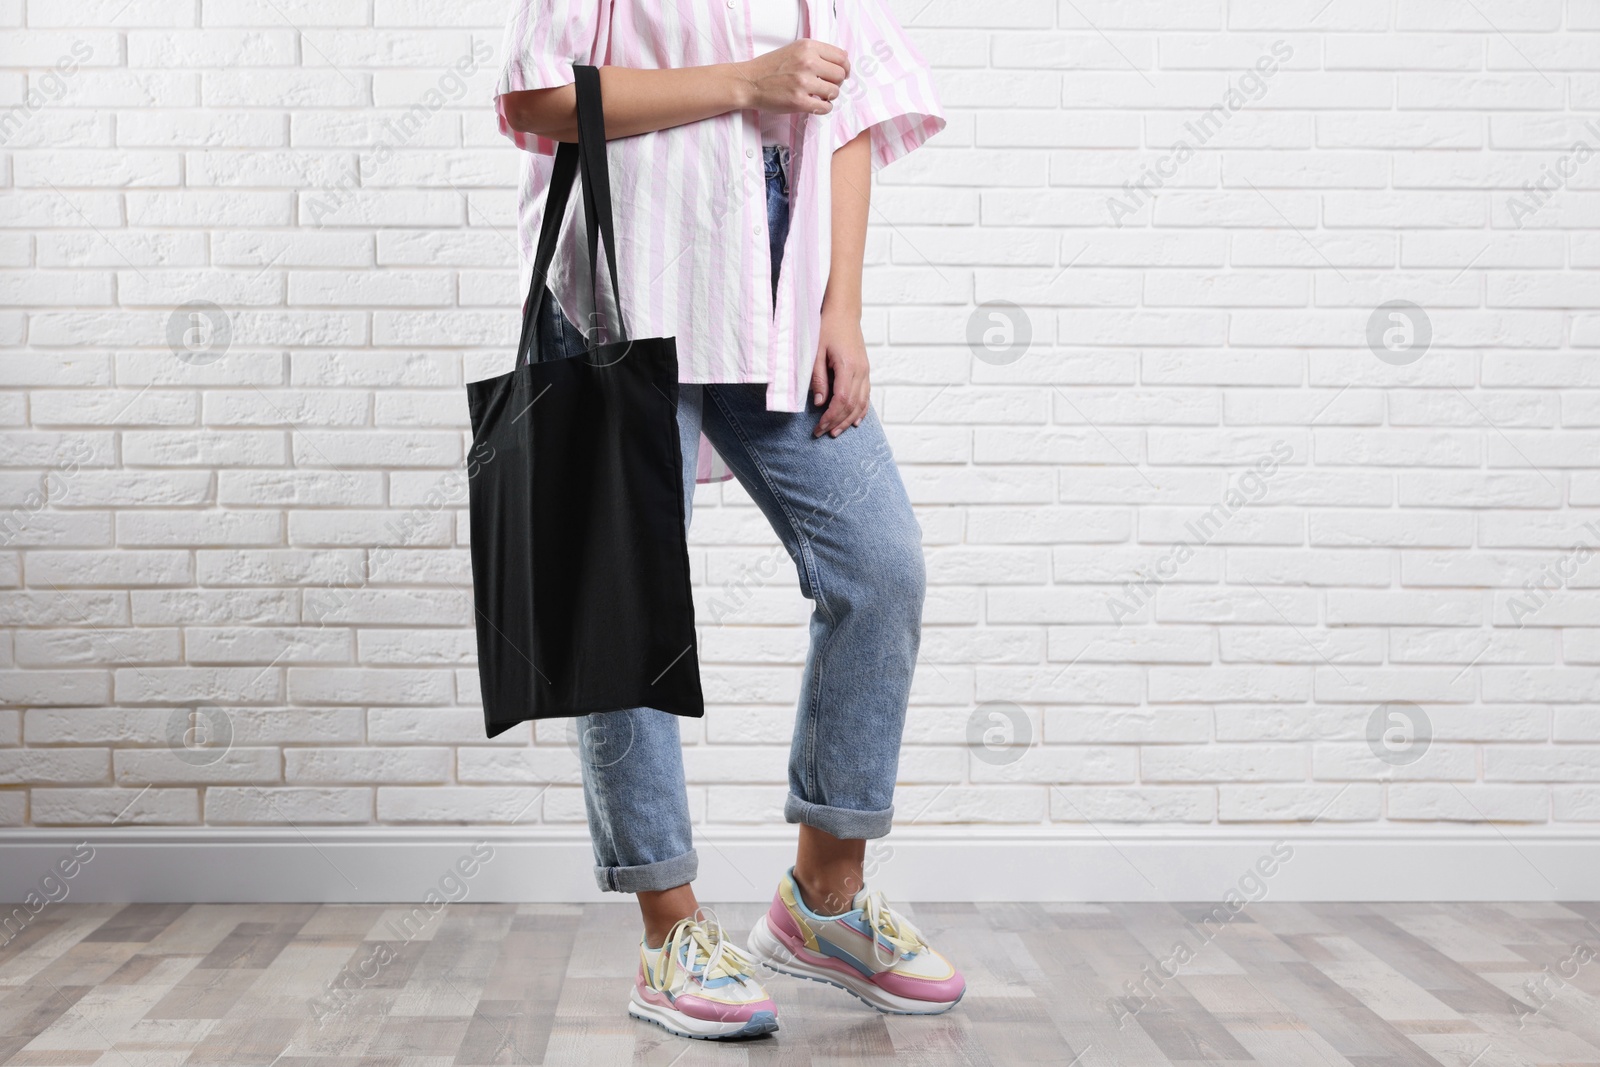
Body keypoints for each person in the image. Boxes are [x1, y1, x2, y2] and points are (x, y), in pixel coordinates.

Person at [493, 0, 962, 1039]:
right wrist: (745, 83)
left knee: (879, 565)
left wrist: (842, 306)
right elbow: (535, 97)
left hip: (774, 276)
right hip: (617, 277)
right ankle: (671, 932)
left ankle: (822, 902)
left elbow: (848, 104)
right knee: (623, 606)